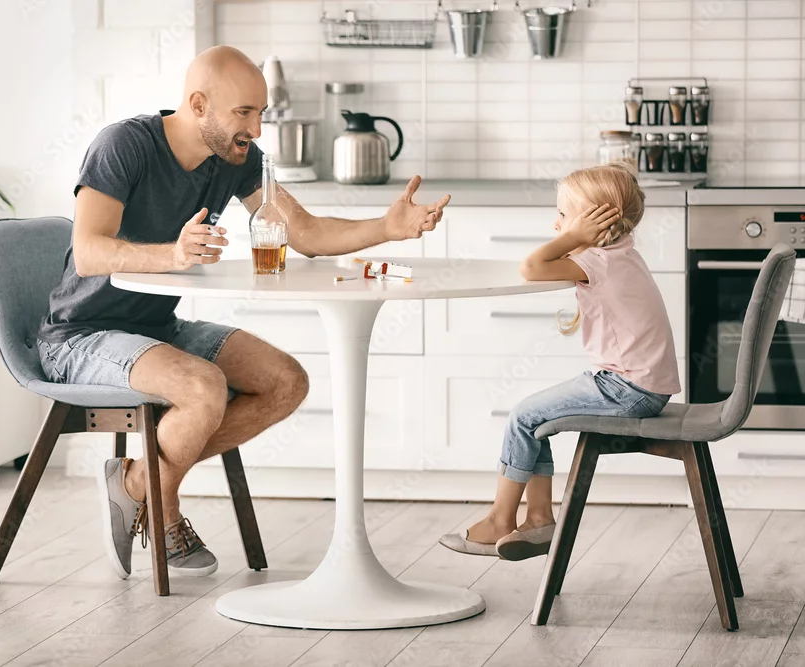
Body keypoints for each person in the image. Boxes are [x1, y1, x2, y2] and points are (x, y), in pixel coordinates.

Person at [36, 45, 451, 579]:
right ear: (198, 104)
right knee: (203, 387)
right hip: (81, 337)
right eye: (244, 113)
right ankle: (164, 507)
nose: (256, 129)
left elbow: (305, 233)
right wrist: (173, 255)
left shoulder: (236, 158)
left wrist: (386, 228)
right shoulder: (124, 145)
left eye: (261, 113)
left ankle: (139, 482)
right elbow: (89, 251)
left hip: (156, 330)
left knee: (286, 382)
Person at [439, 162, 680, 561]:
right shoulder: (621, 254)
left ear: (594, 223)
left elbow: (531, 267)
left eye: (564, 215)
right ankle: (538, 519)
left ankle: (501, 519)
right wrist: (575, 235)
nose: (557, 224)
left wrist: (572, 238)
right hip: (639, 385)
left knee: (523, 416)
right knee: (535, 418)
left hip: (627, 388)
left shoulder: (597, 260)